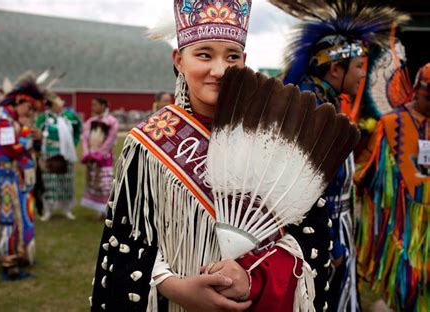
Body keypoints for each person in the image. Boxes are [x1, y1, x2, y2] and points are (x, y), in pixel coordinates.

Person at [91, 1, 331, 311]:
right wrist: (173, 286)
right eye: (203, 54)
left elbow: (313, 240)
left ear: (244, 60)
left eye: (231, 56)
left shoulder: (280, 138)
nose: (219, 70)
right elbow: (125, 244)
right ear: (179, 59)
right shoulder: (147, 145)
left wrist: (254, 278)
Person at [273, 1, 409, 310]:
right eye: (360, 66)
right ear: (336, 68)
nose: (364, 74)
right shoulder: (314, 111)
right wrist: (331, 242)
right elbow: (310, 187)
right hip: (319, 234)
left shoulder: (319, 103)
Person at [354, 63, 430, 312]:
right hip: (400, 223)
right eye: (429, 96)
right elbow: (366, 169)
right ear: (416, 90)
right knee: (403, 284)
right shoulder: (390, 124)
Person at [0, 72, 44, 280]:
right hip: (6, 176)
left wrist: (30, 135)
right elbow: (12, 149)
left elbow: (19, 147)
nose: (29, 111)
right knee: (8, 217)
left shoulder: (10, 120)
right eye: (29, 107)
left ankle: (18, 255)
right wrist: (29, 135)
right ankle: (9, 261)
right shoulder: (3, 121)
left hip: (14, 175)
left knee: (19, 217)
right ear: (19, 102)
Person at [36, 91, 81, 221]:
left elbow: (78, 130)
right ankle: (48, 210)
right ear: (51, 105)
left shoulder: (68, 117)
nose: (61, 105)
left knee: (66, 183)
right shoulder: (43, 118)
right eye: (58, 103)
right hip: (49, 154)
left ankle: (66, 209)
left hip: (65, 155)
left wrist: (74, 143)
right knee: (50, 183)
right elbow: (37, 135)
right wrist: (41, 142)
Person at [81, 97, 119, 216]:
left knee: (105, 184)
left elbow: (110, 140)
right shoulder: (90, 122)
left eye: (96, 105)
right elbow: (84, 138)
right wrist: (87, 153)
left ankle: (107, 210)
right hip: (92, 157)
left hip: (104, 158)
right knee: (94, 183)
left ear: (103, 106)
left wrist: (99, 154)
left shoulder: (111, 121)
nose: (93, 107)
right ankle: (99, 210)